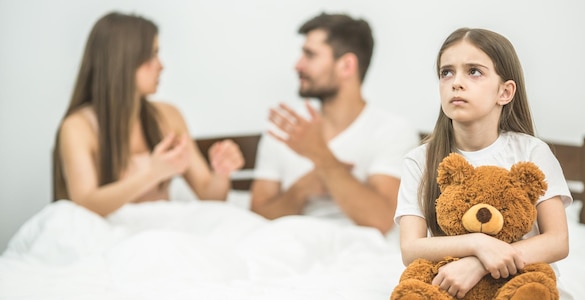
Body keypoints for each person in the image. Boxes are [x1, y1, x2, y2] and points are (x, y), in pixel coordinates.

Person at [393, 28, 572, 298]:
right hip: (454, 288)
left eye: (474, 71)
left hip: (522, 284)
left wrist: (479, 263)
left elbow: (558, 240)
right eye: (447, 72)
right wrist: (477, 243)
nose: (456, 82)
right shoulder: (420, 160)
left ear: (505, 92)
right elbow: (411, 248)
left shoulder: (532, 152)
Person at [52, 12, 244, 216]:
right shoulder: (77, 128)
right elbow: (85, 205)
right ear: (123, 60)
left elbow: (209, 195)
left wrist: (222, 172)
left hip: (162, 233)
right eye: (152, 55)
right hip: (110, 237)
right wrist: (151, 174)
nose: (161, 65)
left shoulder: (168, 116)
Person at [250, 12, 418, 234]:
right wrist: (301, 189)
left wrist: (322, 157)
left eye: (310, 55)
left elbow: (382, 220)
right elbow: (256, 217)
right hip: (288, 246)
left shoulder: (393, 131)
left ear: (347, 65)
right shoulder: (284, 129)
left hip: (358, 252)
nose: (298, 65)